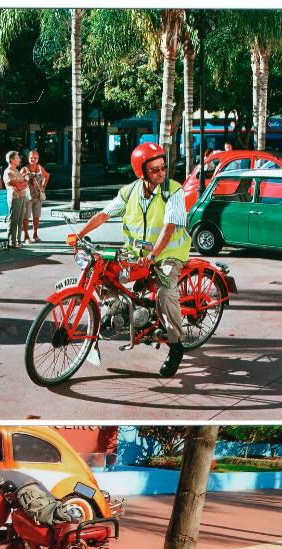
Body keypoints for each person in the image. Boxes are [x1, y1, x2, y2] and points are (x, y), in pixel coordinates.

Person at [74, 141, 191, 378]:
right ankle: (117, 309)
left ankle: (176, 345)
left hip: (168, 255)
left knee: (164, 293)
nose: (161, 173)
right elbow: (104, 214)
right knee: (104, 272)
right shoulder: (129, 192)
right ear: (141, 172)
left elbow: (169, 228)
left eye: (163, 167)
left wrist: (154, 256)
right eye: (155, 170)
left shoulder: (174, 191)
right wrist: (79, 234)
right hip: (136, 256)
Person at [21, 149, 49, 243]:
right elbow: (19, 181)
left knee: (36, 217)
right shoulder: (24, 169)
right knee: (26, 217)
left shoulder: (40, 168)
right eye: (31, 157)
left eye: (35, 158)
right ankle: (26, 236)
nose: (33, 159)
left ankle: (35, 234)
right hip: (28, 197)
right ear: (28, 158)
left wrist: (43, 187)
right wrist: (25, 179)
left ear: (38, 159)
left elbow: (47, 176)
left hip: (38, 197)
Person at [3, 150, 29, 247]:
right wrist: (24, 182)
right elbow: (20, 186)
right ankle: (12, 241)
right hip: (15, 198)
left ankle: (18, 240)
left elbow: (23, 185)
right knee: (14, 219)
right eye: (17, 158)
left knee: (20, 219)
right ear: (12, 160)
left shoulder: (16, 171)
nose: (19, 159)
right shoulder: (9, 172)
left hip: (22, 196)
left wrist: (23, 183)